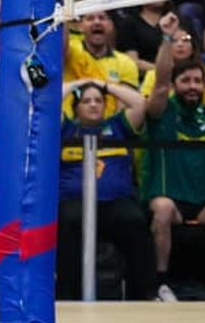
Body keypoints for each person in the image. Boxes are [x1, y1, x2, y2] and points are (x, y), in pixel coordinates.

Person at [141, 12, 205, 302]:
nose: (193, 86)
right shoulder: (163, 112)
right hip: (171, 202)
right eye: (185, 81)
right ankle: (161, 285)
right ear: (176, 85)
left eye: (198, 81)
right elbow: (160, 82)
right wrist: (166, 38)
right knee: (162, 209)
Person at [56, 80, 156, 300]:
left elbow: (140, 103)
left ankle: (144, 296)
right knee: (68, 220)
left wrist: (104, 85)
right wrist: (79, 83)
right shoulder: (66, 129)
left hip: (115, 203)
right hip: (75, 203)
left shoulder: (118, 126)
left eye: (98, 100)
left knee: (135, 220)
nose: (93, 104)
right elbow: (49, 101)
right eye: (86, 101)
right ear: (76, 108)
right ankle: (67, 297)